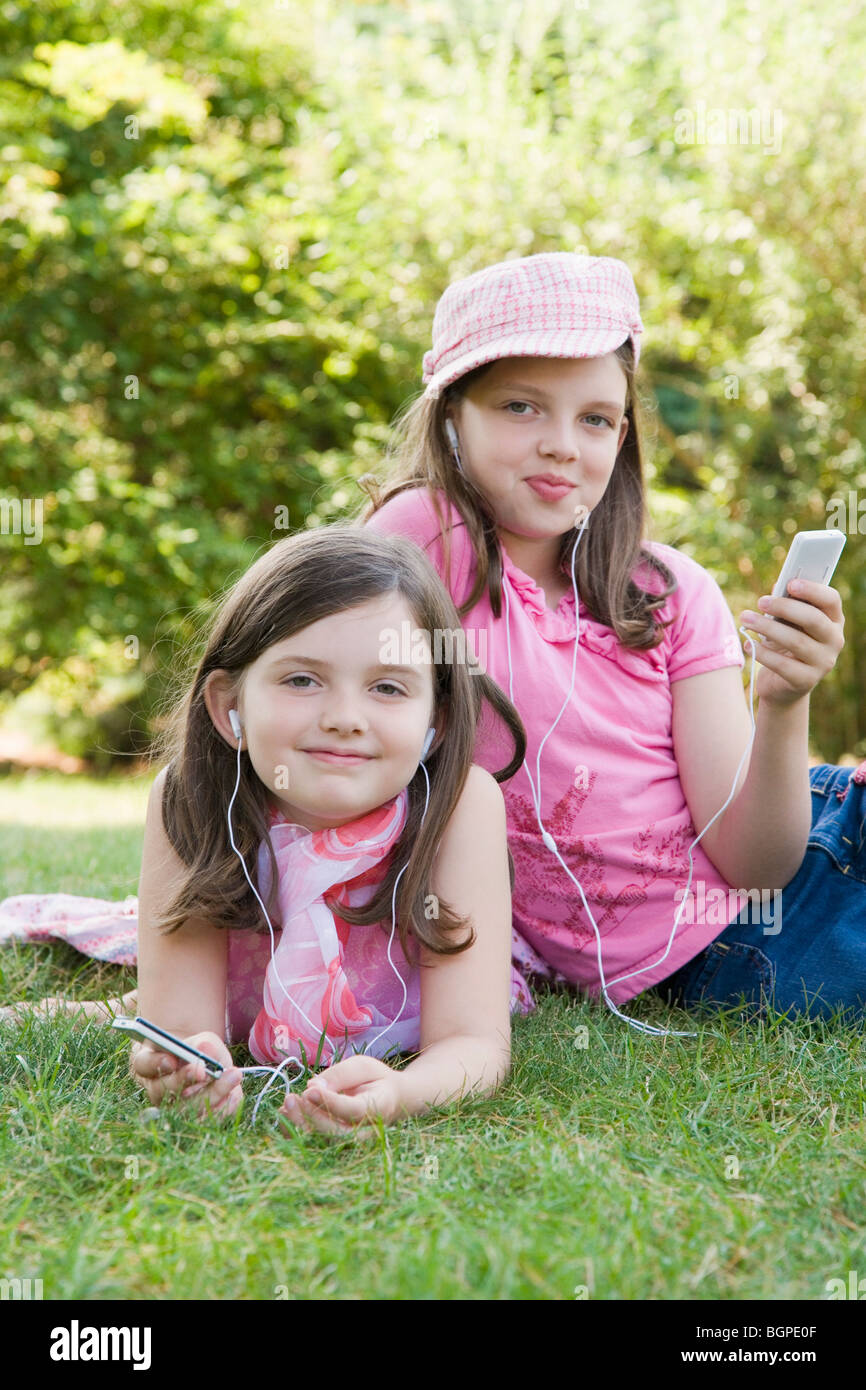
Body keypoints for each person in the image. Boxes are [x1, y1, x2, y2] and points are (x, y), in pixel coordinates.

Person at [359, 250, 866, 1025]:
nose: (564, 444)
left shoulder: (668, 591)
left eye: (595, 418)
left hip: (813, 835)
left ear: (622, 437)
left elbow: (751, 858)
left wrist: (783, 703)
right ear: (450, 418)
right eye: (520, 406)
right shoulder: (428, 544)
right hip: (724, 943)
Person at [0, 527, 534, 1134]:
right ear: (231, 705)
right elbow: (182, 1028)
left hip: (406, 998)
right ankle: (113, 1006)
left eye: (387, 687)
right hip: (240, 985)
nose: (343, 719)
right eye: (302, 679)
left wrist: (403, 1092)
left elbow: (474, 1042)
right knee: (157, 1004)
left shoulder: (461, 805)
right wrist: (181, 1063)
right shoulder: (189, 796)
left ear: (433, 722)